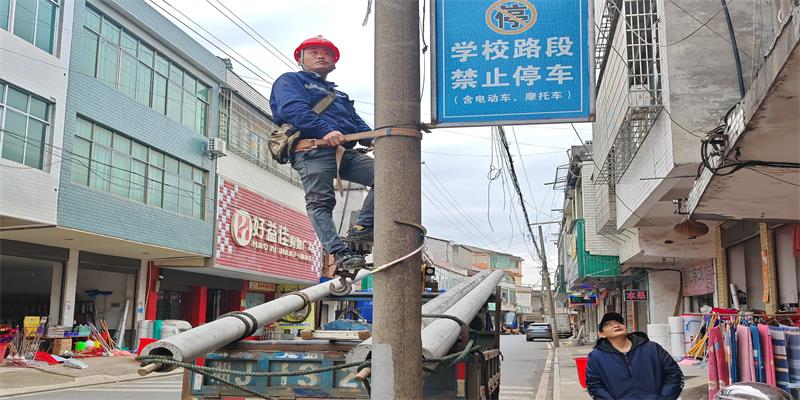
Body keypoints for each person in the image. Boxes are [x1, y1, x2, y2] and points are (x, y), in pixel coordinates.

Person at [269, 35, 374, 271]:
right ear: (300, 58)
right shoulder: (290, 81)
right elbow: (293, 110)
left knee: (388, 175)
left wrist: (377, 139)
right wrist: (326, 130)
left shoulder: (339, 96)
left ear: (334, 62)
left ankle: (363, 228)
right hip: (312, 149)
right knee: (321, 202)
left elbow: (357, 124)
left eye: (326, 53)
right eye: (314, 52)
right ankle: (340, 253)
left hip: (341, 151)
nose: (321, 55)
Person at [585, 312, 684, 400]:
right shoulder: (596, 356)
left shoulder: (652, 348)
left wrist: (664, 398)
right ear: (602, 334)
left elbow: (674, 375)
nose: (616, 325)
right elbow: (595, 385)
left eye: (619, 323)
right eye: (609, 325)